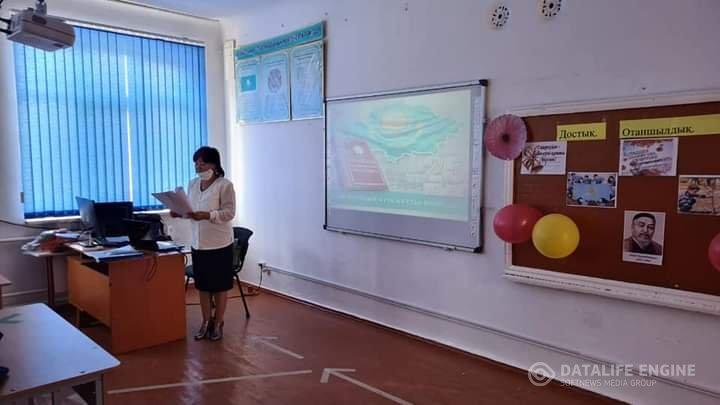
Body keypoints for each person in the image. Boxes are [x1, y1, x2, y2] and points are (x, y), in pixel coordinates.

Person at [171, 146, 236, 341]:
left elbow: (229, 213)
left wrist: (208, 215)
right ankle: (206, 321)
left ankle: (218, 322)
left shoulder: (224, 185)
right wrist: (179, 213)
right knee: (203, 286)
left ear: (214, 164)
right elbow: (191, 211)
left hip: (219, 244)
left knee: (219, 286)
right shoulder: (192, 184)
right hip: (199, 243)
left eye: (203, 163)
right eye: (196, 163)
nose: (198, 166)